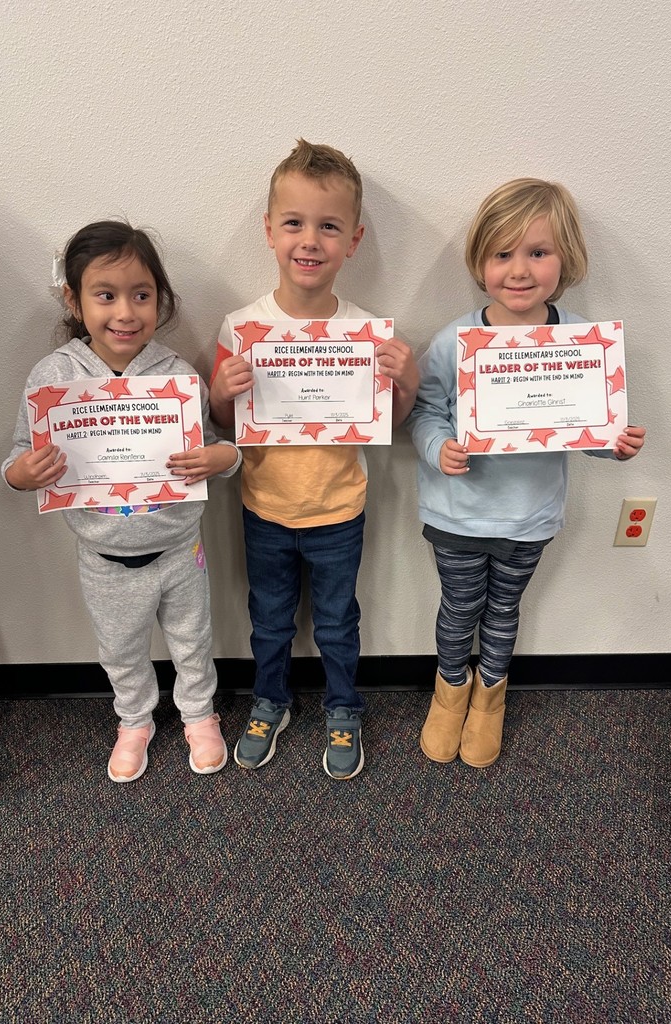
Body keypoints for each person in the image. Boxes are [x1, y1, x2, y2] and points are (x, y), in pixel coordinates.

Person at [407, 178, 646, 768]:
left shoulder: (579, 340)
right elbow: (424, 410)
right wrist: (438, 447)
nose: (519, 270)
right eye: (502, 254)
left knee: (505, 608)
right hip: (457, 511)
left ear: (565, 258)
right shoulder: (453, 341)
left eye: (537, 252)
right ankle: (449, 692)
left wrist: (611, 446)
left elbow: (586, 427)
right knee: (459, 607)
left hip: (530, 516)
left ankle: (490, 697)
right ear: (480, 262)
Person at [2, 220, 241, 783]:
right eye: (105, 296)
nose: (125, 313)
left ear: (161, 298)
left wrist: (223, 458)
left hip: (180, 551)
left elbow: (213, 451)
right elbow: (15, 459)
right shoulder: (54, 377)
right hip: (104, 559)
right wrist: (22, 474)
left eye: (142, 295)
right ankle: (133, 721)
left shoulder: (177, 376)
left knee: (193, 642)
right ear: (74, 299)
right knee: (121, 650)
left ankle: (199, 714)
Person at [209, 139, 419, 780]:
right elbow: (222, 424)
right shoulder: (240, 327)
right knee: (268, 619)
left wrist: (403, 380)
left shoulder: (366, 333)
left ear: (353, 241)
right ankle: (269, 700)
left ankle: (343, 705)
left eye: (329, 226)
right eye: (294, 223)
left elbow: (394, 423)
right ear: (268, 231)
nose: (310, 240)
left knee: (336, 619)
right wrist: (223, 389)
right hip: (264, 507)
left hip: (339, 508)